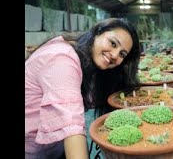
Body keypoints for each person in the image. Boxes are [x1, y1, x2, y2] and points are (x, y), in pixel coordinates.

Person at [25, 18, 141, 159]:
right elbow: (71, 124)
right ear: (97, 32)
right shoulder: (62, 59)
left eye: (122, 54)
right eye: (113, 43)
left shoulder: (87, 61)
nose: (115, 55)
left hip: (53, 151)